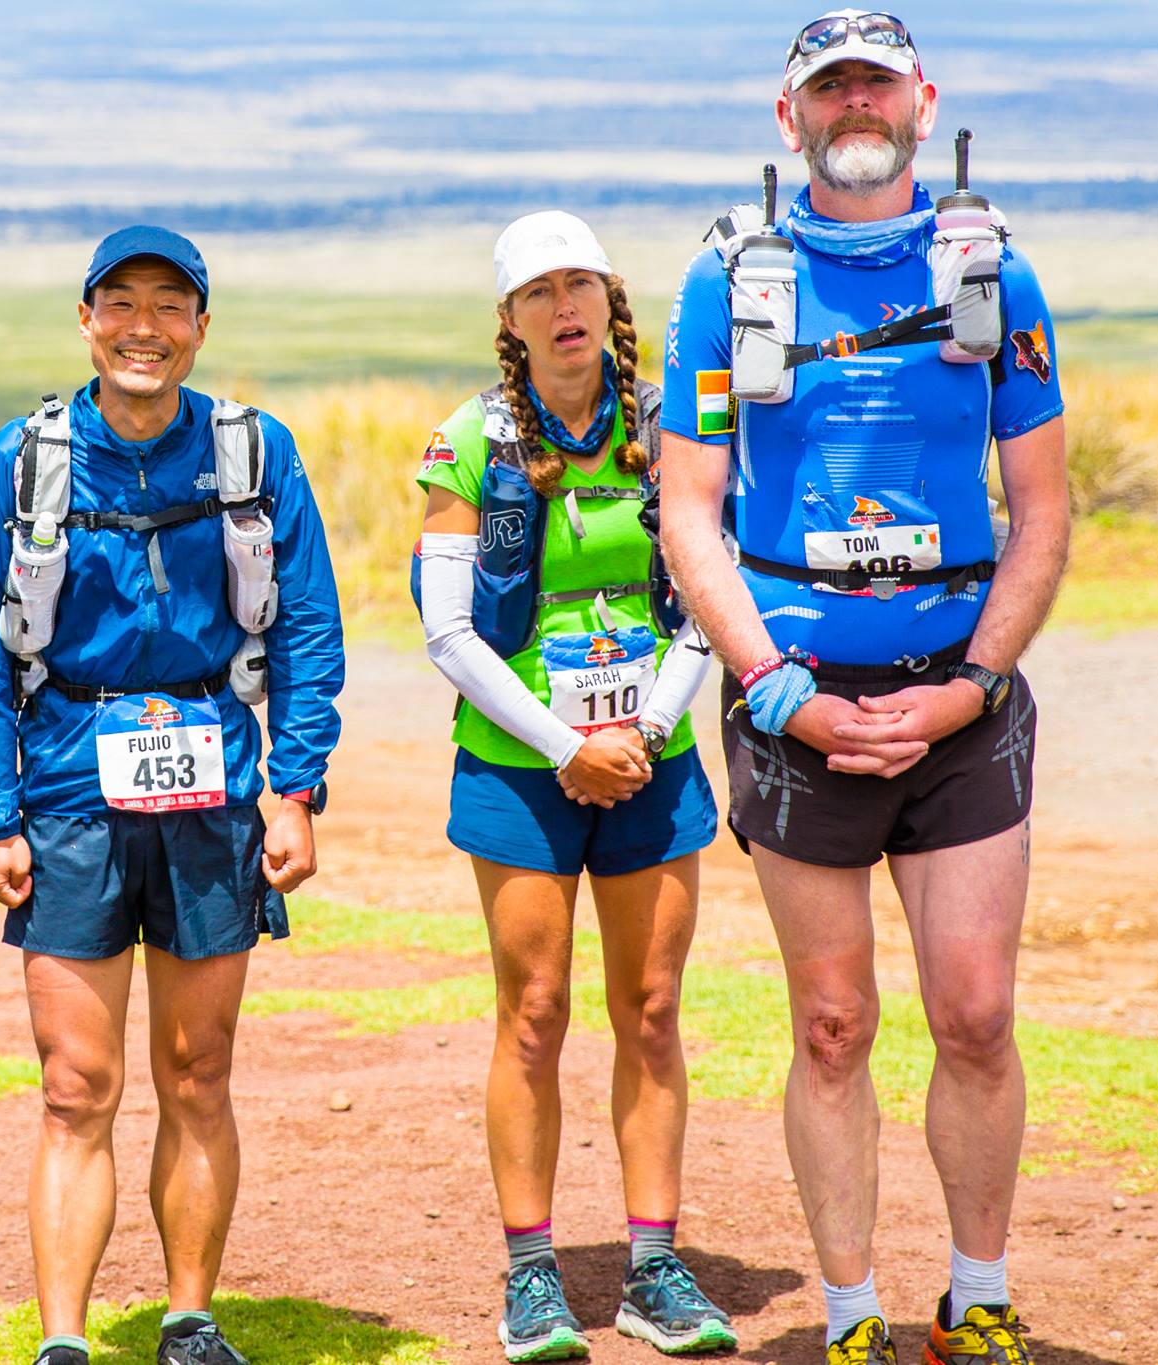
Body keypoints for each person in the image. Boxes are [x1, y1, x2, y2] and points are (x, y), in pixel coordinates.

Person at [658, 13, 1067, 1365]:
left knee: (977, 1016)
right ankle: (849, 1318)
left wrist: (974, 684)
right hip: (795, 708)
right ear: (788, 118)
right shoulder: (728, 282)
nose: (853, 107)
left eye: (874, 86)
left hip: (961, 701)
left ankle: (977, 1297)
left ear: (921, 104)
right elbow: (689, 511)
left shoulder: (993, 275)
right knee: (832, 1027)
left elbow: (1043, 509)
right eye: (826, 88)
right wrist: (774, 690)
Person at [0, 225, 344, 1365]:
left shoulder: (254, 453)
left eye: (169, 306)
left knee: (198, 1072)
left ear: (201, 328)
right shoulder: (19, 460)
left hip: (213, 791)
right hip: (67, 793)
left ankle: (188, 1320)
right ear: (85, 320)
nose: (143, 328)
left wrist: (294, 789)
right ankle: (63, 1342)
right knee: (75, 1086)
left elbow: (308, 631)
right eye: (119, 303)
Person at [414, 211, 735, 1361]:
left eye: (580, 285)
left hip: (650, 758)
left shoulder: (671, 427)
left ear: (610, 300)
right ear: (507, 319)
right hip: (519, 768)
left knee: (649, 1010)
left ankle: (652, 1267)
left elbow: (710, 593)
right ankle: (531, 1274)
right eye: (538, 291)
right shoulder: (468, 441)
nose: (563, 307)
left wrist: (640, 731)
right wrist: (565, 744)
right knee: (534, 1011)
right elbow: (448, 631)